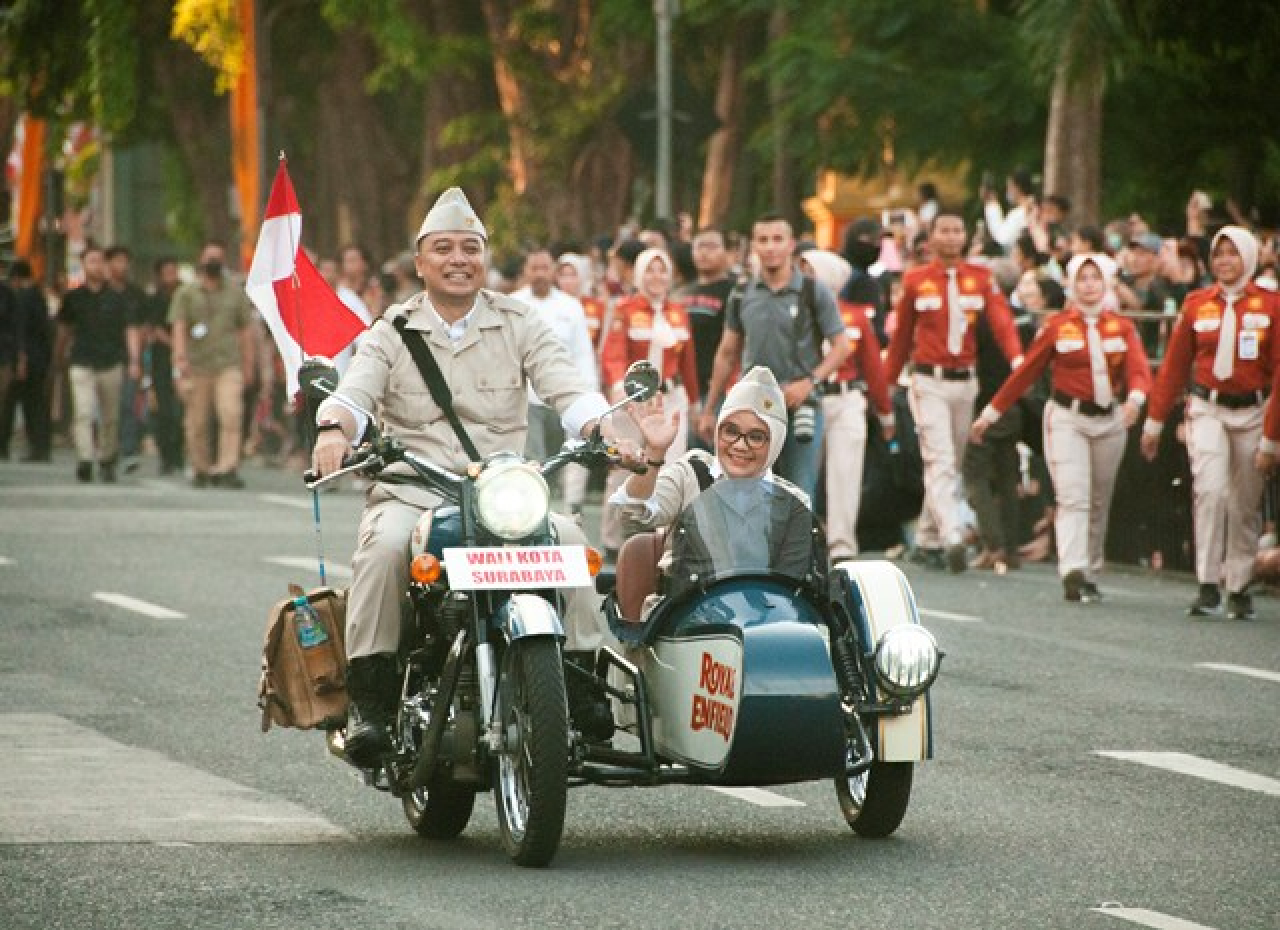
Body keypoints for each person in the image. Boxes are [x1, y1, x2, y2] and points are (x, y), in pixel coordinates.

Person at [310, 187, 619, 763]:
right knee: (383, 551)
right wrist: (334, 429)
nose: (459, 259)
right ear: (420, 262)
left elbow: (566, 385)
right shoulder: (392, 330)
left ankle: (578, 684)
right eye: (444, 248)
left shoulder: (519, 322)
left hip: (502, 493)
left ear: (485, 258)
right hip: (414, 491)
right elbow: (355, 391)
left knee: (572, 542)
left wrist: (603, 425)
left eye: (471, 248)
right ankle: (371, 703)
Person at [973, 254, 1151, 602]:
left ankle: (1091, 568)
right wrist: (990, 414)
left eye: (1095, 278)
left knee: (1098, 499)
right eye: (1082, 278)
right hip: (1068, 416)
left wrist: (1136, 400)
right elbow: (1025, 373)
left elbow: (1140, 370)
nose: (1089, 285)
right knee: (1073, 495)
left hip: (1109, 419)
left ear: (1107, 283)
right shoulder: (1056, 326)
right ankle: (1073, 568)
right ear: (1071, 284)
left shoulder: (1123, 327)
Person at [1142, 226, 1280, 620]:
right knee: (1210, 489)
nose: (1224, 261)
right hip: (1208, 406)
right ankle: (1206, 582)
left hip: (1254, 410)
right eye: (1218, 254)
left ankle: (1238, 584)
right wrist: (1155, 421)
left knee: (1245, 501)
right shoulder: (1196, 304)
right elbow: (1174, 366)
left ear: (1248, 258)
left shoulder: (1271, 305)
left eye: (1232, 253)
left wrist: (1271, 438)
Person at [610, 366, 812, 617]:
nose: (740, 445)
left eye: (756, 436)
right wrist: (654, 452)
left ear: (776, 442)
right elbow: (631, 514)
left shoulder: (794, 501)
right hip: (682, 617)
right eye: (731, 431)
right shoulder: (693, 471)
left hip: (764, 621)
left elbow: (794, 591)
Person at [885, 208, 1024, 572]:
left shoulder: (980, 279)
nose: (950, 237)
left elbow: (1003, 321)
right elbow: (901, 339)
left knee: (951, 463)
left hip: (966, 382)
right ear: (931, 237)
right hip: (928, 379)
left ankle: (926, 538)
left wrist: (1017, 359)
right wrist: (886, 386)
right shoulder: (916, 280)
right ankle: (953, 536)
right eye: (943, 230)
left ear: (965, 237)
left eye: (956, 230)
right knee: (941, 459)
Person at [699, 213, 851, 502]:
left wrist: (809, 382)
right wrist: (709, 409)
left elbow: (842, 346)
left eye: (777, 239)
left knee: (798, 491)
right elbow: (727, 353)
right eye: (763, 240)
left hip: (800, 404)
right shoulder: (742, 292)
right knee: (743, 489)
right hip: (752, 408)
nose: (770, 247)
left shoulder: (813, 290)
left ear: (791, 244)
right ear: (754, 245)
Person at [798, 248, 894, 561]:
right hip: (807, 399)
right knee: (801, 474)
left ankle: (842, 545)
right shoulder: (794, 312)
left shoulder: (855, 315)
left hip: (847, 397)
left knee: (845, 473)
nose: (804, 278)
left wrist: (885, 411)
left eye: (810, 271)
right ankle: (800, 544)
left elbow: (873, 366)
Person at [511, 247, 598, 519]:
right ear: (526, 271)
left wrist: (588, 395)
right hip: (526, 399)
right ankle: (531, 516)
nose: (539, 274)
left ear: (553, 272)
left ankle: (566, 514)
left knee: (563, 458)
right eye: (534, 268)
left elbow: (582, 353)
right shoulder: (513, 304)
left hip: (564, 398)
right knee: (533, 460)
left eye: (545, 268)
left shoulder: (570, 307)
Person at [169, 240, 257, 489]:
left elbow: (245, 331)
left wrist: (249, 364)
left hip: (228, 364)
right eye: (209, 258)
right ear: (201, 260)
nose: (213, 262)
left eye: (218, 258)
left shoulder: (235, 293)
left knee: (231, 414)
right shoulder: (186, 293)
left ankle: (227, 467)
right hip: (197, 366)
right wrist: (179, 361)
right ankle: (201, 467)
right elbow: (179, 328)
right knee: (197, 421)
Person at [54, 245, 144, 483]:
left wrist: (134, 360)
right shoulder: (73, 298)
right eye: (91, 261)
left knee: (110, 416)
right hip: (82, 360)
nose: (96, 265)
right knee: (83, 412)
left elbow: (130, 329)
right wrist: (59, 356)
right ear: (83, 266)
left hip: (111, 361)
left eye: (99, 261)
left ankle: (107, 458)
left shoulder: (118, 298)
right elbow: (64, 330)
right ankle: (85, 458)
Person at [673, 227, 736, 405]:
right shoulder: (678, 293)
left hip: (719, 388)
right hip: (681, 388)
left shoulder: (737, 292)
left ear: (727, 252)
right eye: (699, 246)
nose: (704, 252)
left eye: (712, 246)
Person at [0, 261, 52, 462]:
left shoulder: (22, 298)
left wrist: (21, 358)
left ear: (16, 278)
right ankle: (40, 447)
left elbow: (20, 330)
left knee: (12, 403)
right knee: (36, 404)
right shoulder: (39, 297)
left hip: (24, 358)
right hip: (39, 357)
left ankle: (4, 446)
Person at [104, 246, 149, 470]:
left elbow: (144, 325)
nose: (122, 266)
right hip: (102, 358)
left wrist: (138, 358)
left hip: (130, 357)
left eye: (125, 261)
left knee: (128, 404)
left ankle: (129, 449)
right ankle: (107, 451)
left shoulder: (136, 294)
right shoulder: (101, 292)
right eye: (117, 260)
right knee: (106, 408)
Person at [144, 258, 184, 474]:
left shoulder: (186, 295)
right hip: (162, 361)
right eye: (167, 271)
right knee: (165, 410)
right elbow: (155, 329)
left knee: (183, 410)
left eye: (174, 270)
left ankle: (180, 454)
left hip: (186, 360)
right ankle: (166, 456)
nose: (172, 275)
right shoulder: (155, 300)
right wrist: (176, 345)